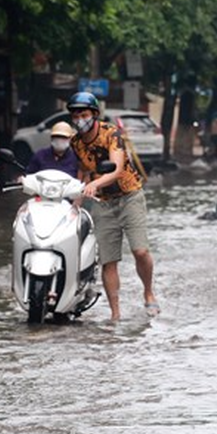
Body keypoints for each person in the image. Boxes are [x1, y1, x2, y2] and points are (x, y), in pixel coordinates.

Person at [66, 91, 159, 321]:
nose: (80, 119)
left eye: (84, 114)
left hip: (130, 196)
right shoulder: (76, 142)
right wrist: (75, 202)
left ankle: (148, 292)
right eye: (75, 115)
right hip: (102, 203)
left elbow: (116, 169)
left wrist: (95, 183)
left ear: (94, 115)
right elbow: (84, 172)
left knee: (140, 250)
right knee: (109, 260)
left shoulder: (111, 134)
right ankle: (115, 315)